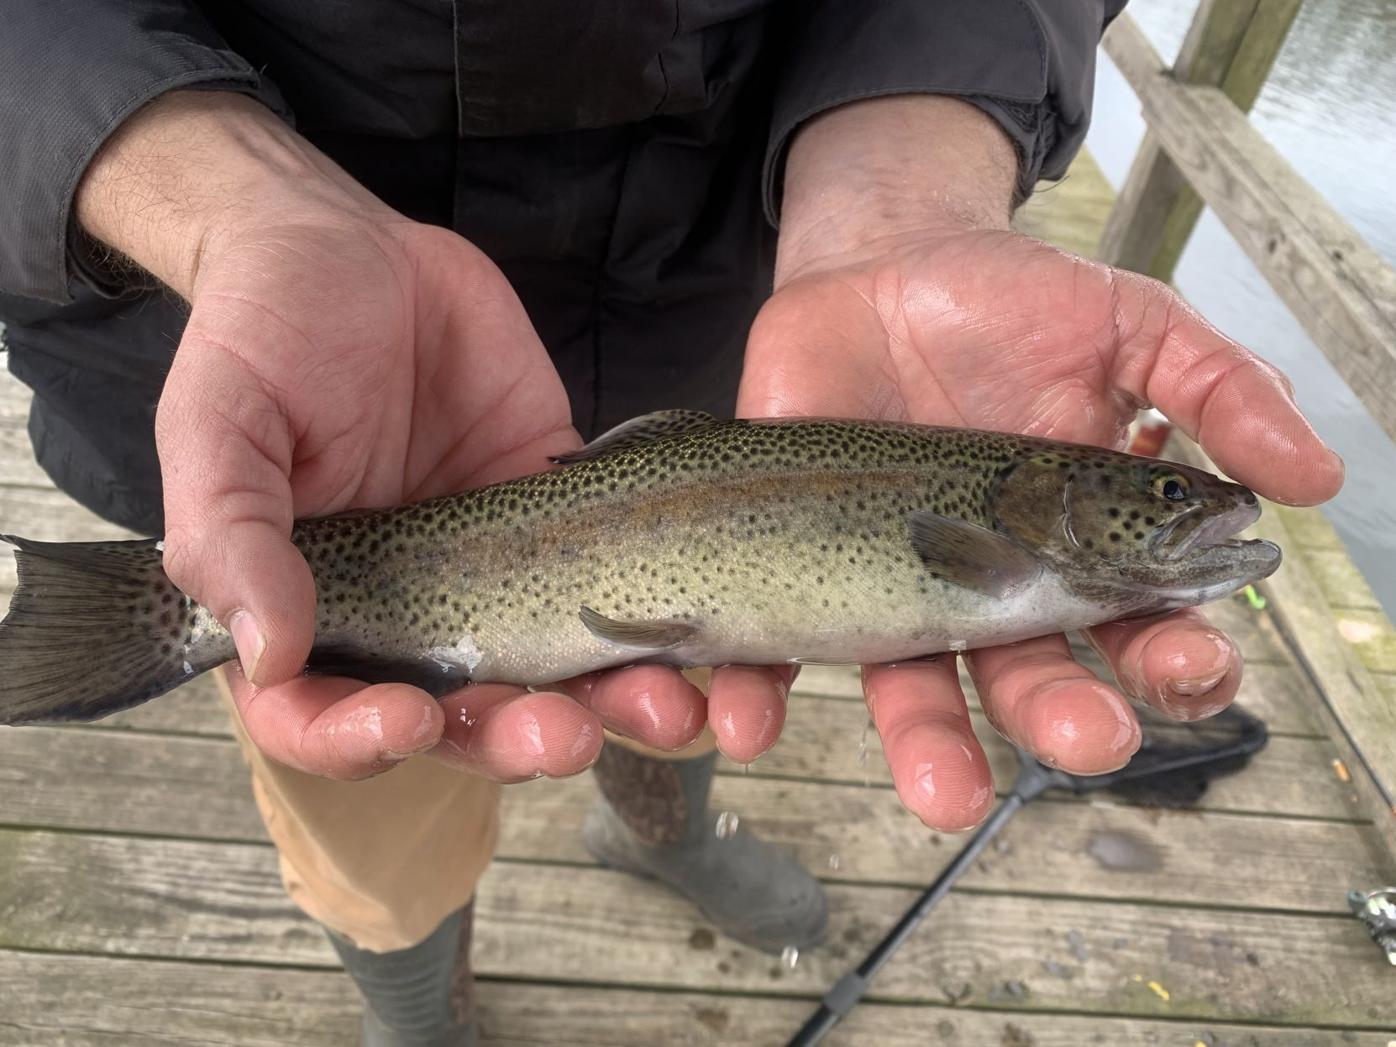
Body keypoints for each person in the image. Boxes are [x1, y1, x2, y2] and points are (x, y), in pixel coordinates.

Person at [0, 3, 1343, 1044]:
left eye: (1168, 500)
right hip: (310, 384)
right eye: (1166, 497)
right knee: (354, 742)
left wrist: (903, 182)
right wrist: (215, 195)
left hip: (735, 315)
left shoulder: (1016, 527)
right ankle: (413, 994)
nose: (1184, 511)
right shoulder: (1018, 539)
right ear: (1082, 506)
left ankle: (657, 831)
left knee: (681, 693)